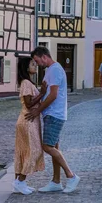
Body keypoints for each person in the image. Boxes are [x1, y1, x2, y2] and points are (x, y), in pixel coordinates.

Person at [25, 46, 80, 194]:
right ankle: (56, 181)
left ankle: (71, 175)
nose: (37, 64)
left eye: (37, 61)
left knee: (47, 147)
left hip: (54, 114)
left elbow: (53, 95)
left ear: (44, 56)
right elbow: (47, 93)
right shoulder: (51, 70)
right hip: (52, 114)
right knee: (54, 147)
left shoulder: (55, 70)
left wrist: (38, 110)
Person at [13, 57, 46, 195]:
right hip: (28, 121)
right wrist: (43, 93)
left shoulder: (27, 82)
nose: (36, 66)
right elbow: (28, 103)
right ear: (26, 68)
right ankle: (20, 181)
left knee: (24, 151)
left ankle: (20, 183)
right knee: (34, 150)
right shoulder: (26, 83)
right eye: (33, 64)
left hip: (30, 120)